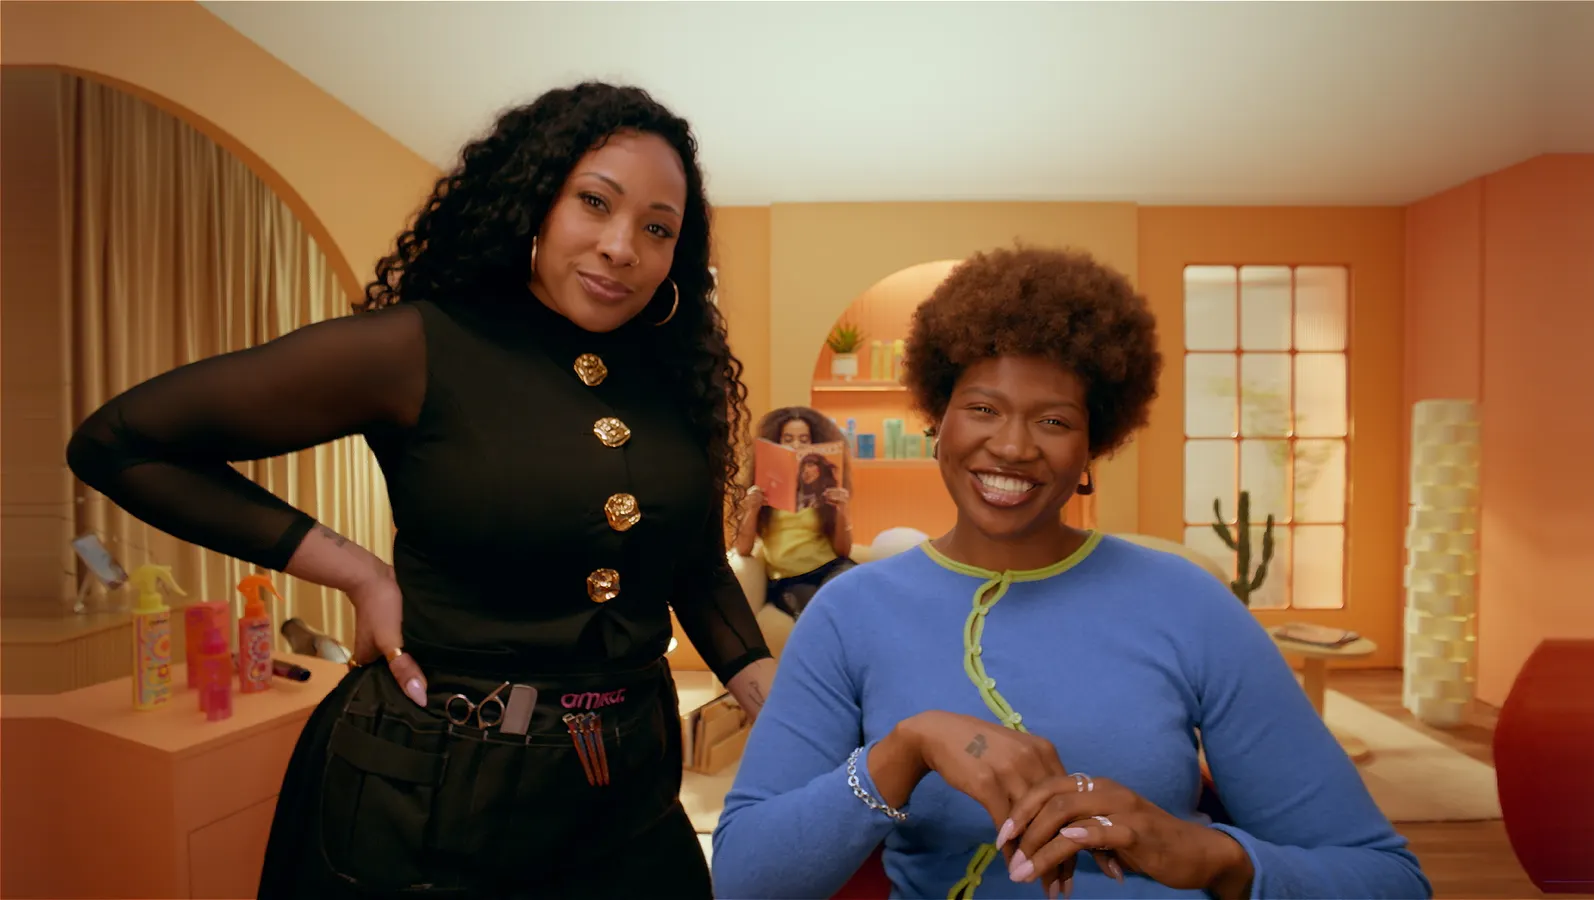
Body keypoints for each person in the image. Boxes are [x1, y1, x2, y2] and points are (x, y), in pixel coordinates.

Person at [66, 82, 775, 899]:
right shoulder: (423, 347)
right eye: (594, 202)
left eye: (657, 228)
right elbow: (121, 442)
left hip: (633, 790)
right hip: (435, 788)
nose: (622, 247)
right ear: (536, 203)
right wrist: (357, 571)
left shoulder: (675, 376)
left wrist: (766, 684)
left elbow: (690, 562)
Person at [712, 247, 1431, 900]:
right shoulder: (849, 613)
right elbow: (744, 879)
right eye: (983, 408)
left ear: (1094, 444)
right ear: (939, 421)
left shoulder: (1188, 604)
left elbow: (1387, 878)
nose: (1012, 446)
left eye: (1053, 421)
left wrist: (1211, 857)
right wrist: (903, 752)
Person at [734, 406, 857, 618]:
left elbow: (843, 551)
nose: (796, 445)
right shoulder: (762, 487)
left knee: (858, 593)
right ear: (777, 441)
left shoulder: (824, 489)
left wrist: (842, 511)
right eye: (788, 439)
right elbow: (743, 549)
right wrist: (752, 509)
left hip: (831, 567)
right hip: (789, 579)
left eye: (804, 439)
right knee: (818, 613)